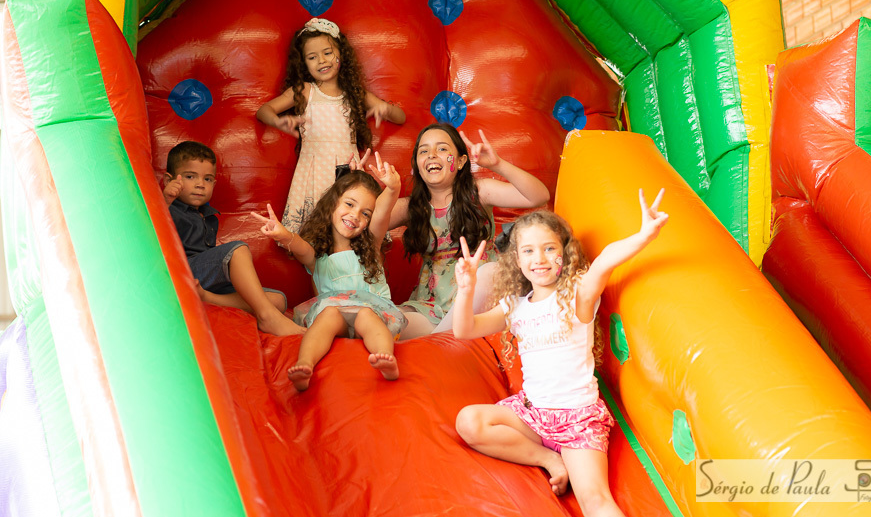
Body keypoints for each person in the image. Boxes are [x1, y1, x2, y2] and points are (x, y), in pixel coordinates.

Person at [451, 191, 668, 517]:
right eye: (528, 251)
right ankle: (548, 459)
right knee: (468, 422)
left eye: (549, 248)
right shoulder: (515, 305)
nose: (539, 258)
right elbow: (464, 329)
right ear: (517, 260)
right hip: (532, 415)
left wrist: (643, 235)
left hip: (576, 421)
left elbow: (606, 260)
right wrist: (466, 290)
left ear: (564, 255)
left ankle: (562, 456)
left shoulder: (576, 294)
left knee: (595, 501)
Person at [251, 156, 404, 392]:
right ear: (333, 203)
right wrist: (282, 234)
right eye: (350, 204)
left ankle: (385, 358)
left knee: (365, 315)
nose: (356, 216)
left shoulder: (370, 244)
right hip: (336, 317)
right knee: (328, 315)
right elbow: (298, 245)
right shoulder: (317, 255)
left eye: (366, 213)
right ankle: (305, 365)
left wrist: (392, 188)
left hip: (373, 311)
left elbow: (383, 212)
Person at [386, 123, 550, 339]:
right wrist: (387, 191)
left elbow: (538, 196)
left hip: (479, 293)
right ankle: (443, 338)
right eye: (423, 151)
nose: (432, 155)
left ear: (462, 161)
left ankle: (445, 338)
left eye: (442, 149)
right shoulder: (412, 207)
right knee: (387, 322)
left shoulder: (479, 192)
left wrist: (498, 165)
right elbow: (368, 225)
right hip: (432, 307)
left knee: (490, 272)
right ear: (416, 165)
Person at [256, 17, 405, 234]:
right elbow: (263, 111)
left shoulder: (355, 94)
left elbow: (400, 117)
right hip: (314, 172)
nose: (322, 61)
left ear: (340, 54)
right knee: (314, 232)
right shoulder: (305, 90)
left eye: (327, 53)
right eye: (312, 57)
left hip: (348, 171)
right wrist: (279, 120)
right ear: (304, 63)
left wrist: (386, 109)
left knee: (350, 229)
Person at [163, 141, 305, 336]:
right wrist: (166, 200)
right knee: (237, 250)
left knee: (278, 300)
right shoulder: (171, 208)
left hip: (204, 281)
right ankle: (267, 318)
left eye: (207, 179)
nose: (200, 184)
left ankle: (207, 298)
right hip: (183, 271)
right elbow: (151, 225)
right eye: (190, 177)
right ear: (169, 180)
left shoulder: (207, 215)